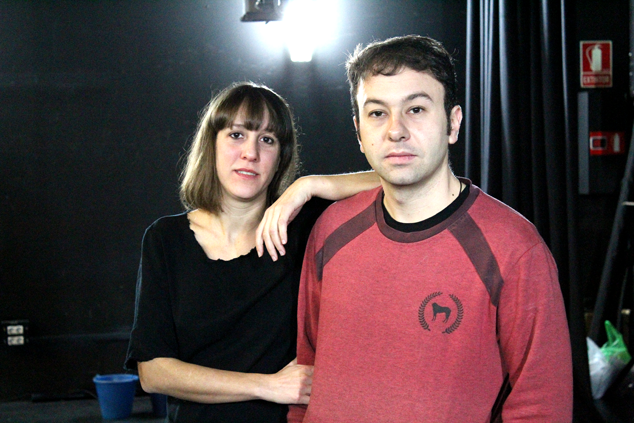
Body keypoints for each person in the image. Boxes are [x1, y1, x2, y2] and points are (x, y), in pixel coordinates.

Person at [288, 35, 573, 422]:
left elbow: (542, 405)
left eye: (416, 109)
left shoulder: (514, 249)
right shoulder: (331, 230)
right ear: (358, 132)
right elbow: (308, 373)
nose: (396, 130)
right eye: (377, 113)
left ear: (453, 123)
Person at [124, 81, 378, 423]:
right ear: (211, 144)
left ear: (281, 157)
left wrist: (308, 186)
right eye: (236, 135)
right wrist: (268, 385)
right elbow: (154, 373)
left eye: (267, 140)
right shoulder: (166, 239)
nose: (251, 153)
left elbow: (402, 178)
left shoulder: (302, 227)